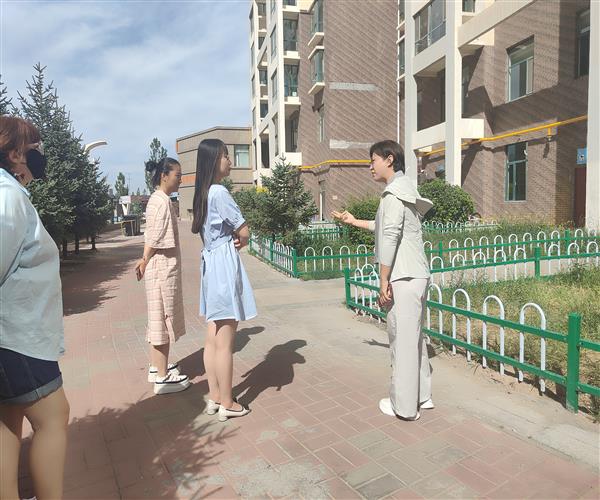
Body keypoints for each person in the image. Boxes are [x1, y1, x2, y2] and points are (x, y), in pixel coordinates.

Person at [333, 140, 434, 421]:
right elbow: (385, 226)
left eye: (373, 160)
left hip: (403, 275)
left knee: (402, 341)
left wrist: (383, 279)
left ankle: (404, 407)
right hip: (417, 273)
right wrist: (354, 221)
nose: (370, 167)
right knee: (414, 338)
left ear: (389, 159)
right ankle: (422, 396)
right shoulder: (405, 189)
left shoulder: (392, 194)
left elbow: (390, 236)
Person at [0, 115, 70, 499]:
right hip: (17, 339)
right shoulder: (7, 197)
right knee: (53, 417)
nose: (41, 154)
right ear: (15, 153)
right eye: (35, 147)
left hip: (12, 337)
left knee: (8, 421)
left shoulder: (10, 192)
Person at [192, 139, 256, 422]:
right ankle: (228, 403)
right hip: (222, 264)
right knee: (226, 340)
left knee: (212, 337)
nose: (229, 161)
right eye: (225, 156)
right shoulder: (220, 192)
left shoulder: (203, 192)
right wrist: (241, 238)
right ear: (213, 161)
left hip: (210, 263)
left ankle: (215, 396)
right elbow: (244, 231)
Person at [135, 158, 189, 395]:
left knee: (157, 318)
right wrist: (144, 259)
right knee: (163, 320)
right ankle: (162, 378)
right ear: (164, 176)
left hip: (158, 268)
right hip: (161, 269)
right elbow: (155, 238)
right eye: (178, 175)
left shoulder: (158, 199)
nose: (180, 180)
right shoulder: (162, 201)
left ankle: (156, 367)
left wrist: (145, 260)